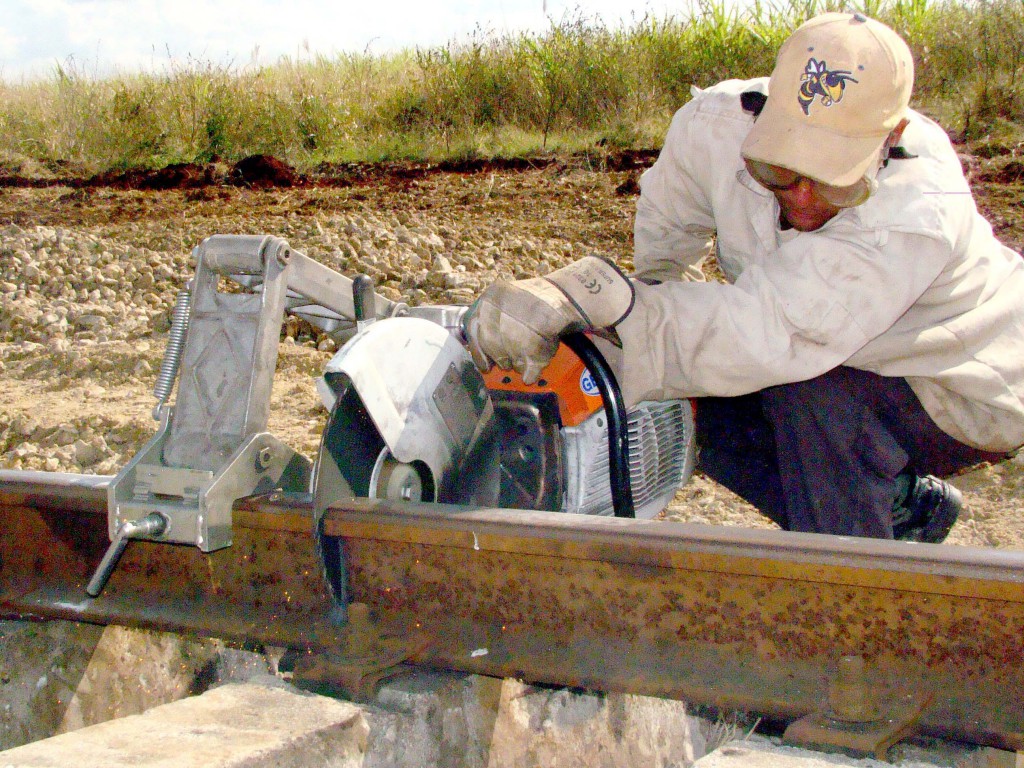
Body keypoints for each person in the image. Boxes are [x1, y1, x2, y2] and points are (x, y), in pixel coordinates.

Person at [464, 12, 1024, 541]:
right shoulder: (712, 125)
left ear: (890, 137)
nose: (802, 201)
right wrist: (628, 311)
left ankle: (857, 599)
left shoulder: (915, 213)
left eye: (832, 182)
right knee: (693, 400)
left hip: (963, 384)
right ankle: (900, 505)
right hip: (829, 347)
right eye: (780, 171)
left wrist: (624, 314)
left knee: (809, 399)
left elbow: (775, 332)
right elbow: (667, 235)